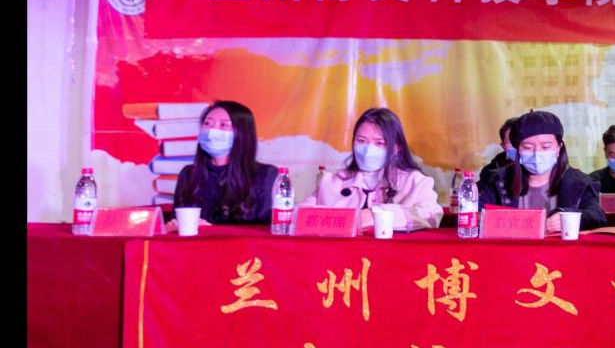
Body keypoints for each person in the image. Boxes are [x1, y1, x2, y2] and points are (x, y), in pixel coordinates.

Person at [301, 107, 443, 231]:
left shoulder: (415, 182)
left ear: (396, 148)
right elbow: (300, 215)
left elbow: (432, 215)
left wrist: (377, 214)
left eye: (379, 143)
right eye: (361, 141)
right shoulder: (332, 182)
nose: (368, 150)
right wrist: (337, 219)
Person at [478, 110, 607, 232]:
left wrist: (570, 217)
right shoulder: (498, 180)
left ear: (558, 148)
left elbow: (597, 216)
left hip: (560, 247)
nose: (537, 154)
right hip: (513, 246)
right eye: (528, 147)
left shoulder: (580, 183)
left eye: (545, 147)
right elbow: (478, 213)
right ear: (518, 150)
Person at [171, 100, 278, 227]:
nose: (212, 131)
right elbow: (178, 219)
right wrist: (174, 226)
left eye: (223, 125)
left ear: (242, 133)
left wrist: (212, 231)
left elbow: (267, 230)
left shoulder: (266, 175)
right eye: (207, 123)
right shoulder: (189, 174)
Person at [478, 117, 520, 185]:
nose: (516, 145)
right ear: (503, 146)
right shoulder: (490, 173)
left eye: (520, 140)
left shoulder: (537, 168)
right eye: (510, 141)